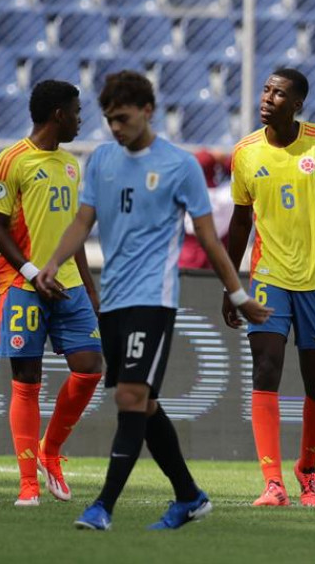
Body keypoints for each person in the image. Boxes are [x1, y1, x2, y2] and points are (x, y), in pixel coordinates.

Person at [34, 71, 272, 531]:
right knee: (143, 404)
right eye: (108, 120)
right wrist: (51, 263)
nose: (115, 128)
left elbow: (209, 237)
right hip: (114, 300)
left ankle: (102, 506)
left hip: (154, 300)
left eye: (122, 118)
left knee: (130, 396)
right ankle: (189, 496)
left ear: (147, 110)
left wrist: (238, 293)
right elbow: (82, 222)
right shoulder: (101, 161)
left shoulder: (179, 166)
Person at [222, 68, 315, 507]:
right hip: (268, 279)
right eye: (266, 90)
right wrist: (231, 284)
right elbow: (241, 220)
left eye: (278, 94)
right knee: (266, 370)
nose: (267, 98)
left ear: (297, 104)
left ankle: (308, 469)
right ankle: (273, 482)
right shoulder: (245, 152)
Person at [0, 80, 103, 507]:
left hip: (68, 283)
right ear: (58, 114)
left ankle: (50, 452)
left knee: (90, 368)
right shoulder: (9, 161)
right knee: (27, 381)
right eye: (75, 111)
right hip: (22, 285)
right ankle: (27, 484)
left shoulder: (71, 165)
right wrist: (33, 273)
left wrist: (90, 287)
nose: (79, 119)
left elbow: (75, 231)